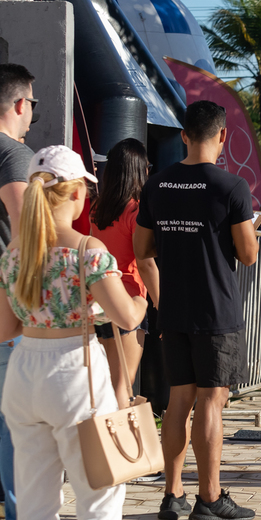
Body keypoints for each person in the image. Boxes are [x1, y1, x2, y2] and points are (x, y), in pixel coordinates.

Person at [0, 145, 147, 519]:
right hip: (74, 373)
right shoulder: (87, 251)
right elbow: (127, 318)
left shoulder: (15, 253)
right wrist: (142, 302)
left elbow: (4, 328)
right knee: (99, 493)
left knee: (34, 499)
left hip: (23, 373)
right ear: (79, 191)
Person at [134, 101, 259, 520]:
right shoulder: (231, 187)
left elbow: (142, 252)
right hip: (215, 312)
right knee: (210, 401)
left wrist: (162, 298)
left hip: (174, 310)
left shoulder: (157, 185)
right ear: (222, 137)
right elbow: (248, 253)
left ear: (184, 135)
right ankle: (209, 498)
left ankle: (173, 494)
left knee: (177, 402)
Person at [90, 138, 151, 414]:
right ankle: (122, 450)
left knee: (108, 379)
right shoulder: (136, 211)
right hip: (130, 300)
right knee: (124, 384)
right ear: (138, 170)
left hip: (101, 299)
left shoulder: (97, 209)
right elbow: (144, 259)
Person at [0, 64, 35, 520]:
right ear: (20, 104)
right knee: (13, 421)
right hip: (7, 304)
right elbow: (27, 228)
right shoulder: (13, 154)